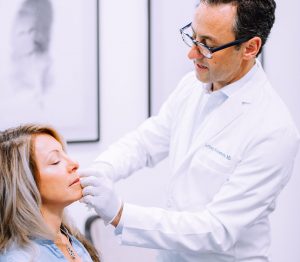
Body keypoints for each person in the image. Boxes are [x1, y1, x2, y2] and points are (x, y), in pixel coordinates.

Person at [80, 0, 300, 261]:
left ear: (250, 48)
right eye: (192, 36)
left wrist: (120, 214)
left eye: (207, 44)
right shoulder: (192, 86)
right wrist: (102, 169)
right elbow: (145, 143)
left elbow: (217, 229)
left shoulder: (273, 130)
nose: (192, 54)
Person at [0, 124, 100, 262]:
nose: (74, 163)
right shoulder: (19, 258)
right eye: (55, 161)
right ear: (25, 184)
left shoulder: (71, 240)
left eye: (66, 154)